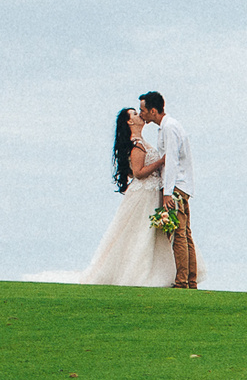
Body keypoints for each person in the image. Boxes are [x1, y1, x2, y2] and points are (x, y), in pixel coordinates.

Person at [76, 107, 175, 286]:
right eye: (135, 114)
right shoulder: (136, 144)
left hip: (150, 191)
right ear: (130, 122)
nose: (140, 115)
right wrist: (161, 162)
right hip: (144, 193)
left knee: (146, 233)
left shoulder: (139, 142)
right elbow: (138, 173)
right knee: (140, 233)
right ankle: (137, 274)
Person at [141, 91, 198, 289]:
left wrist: (167, 192)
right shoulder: (169, 127)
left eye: (144, 110)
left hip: (177, 187)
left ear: (153, 110)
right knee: (185, 234)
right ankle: (190, 279)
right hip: (182, 185)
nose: (142, 114)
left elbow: (171, 160)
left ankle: (183, 281)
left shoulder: (170, 128)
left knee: (179, 234)